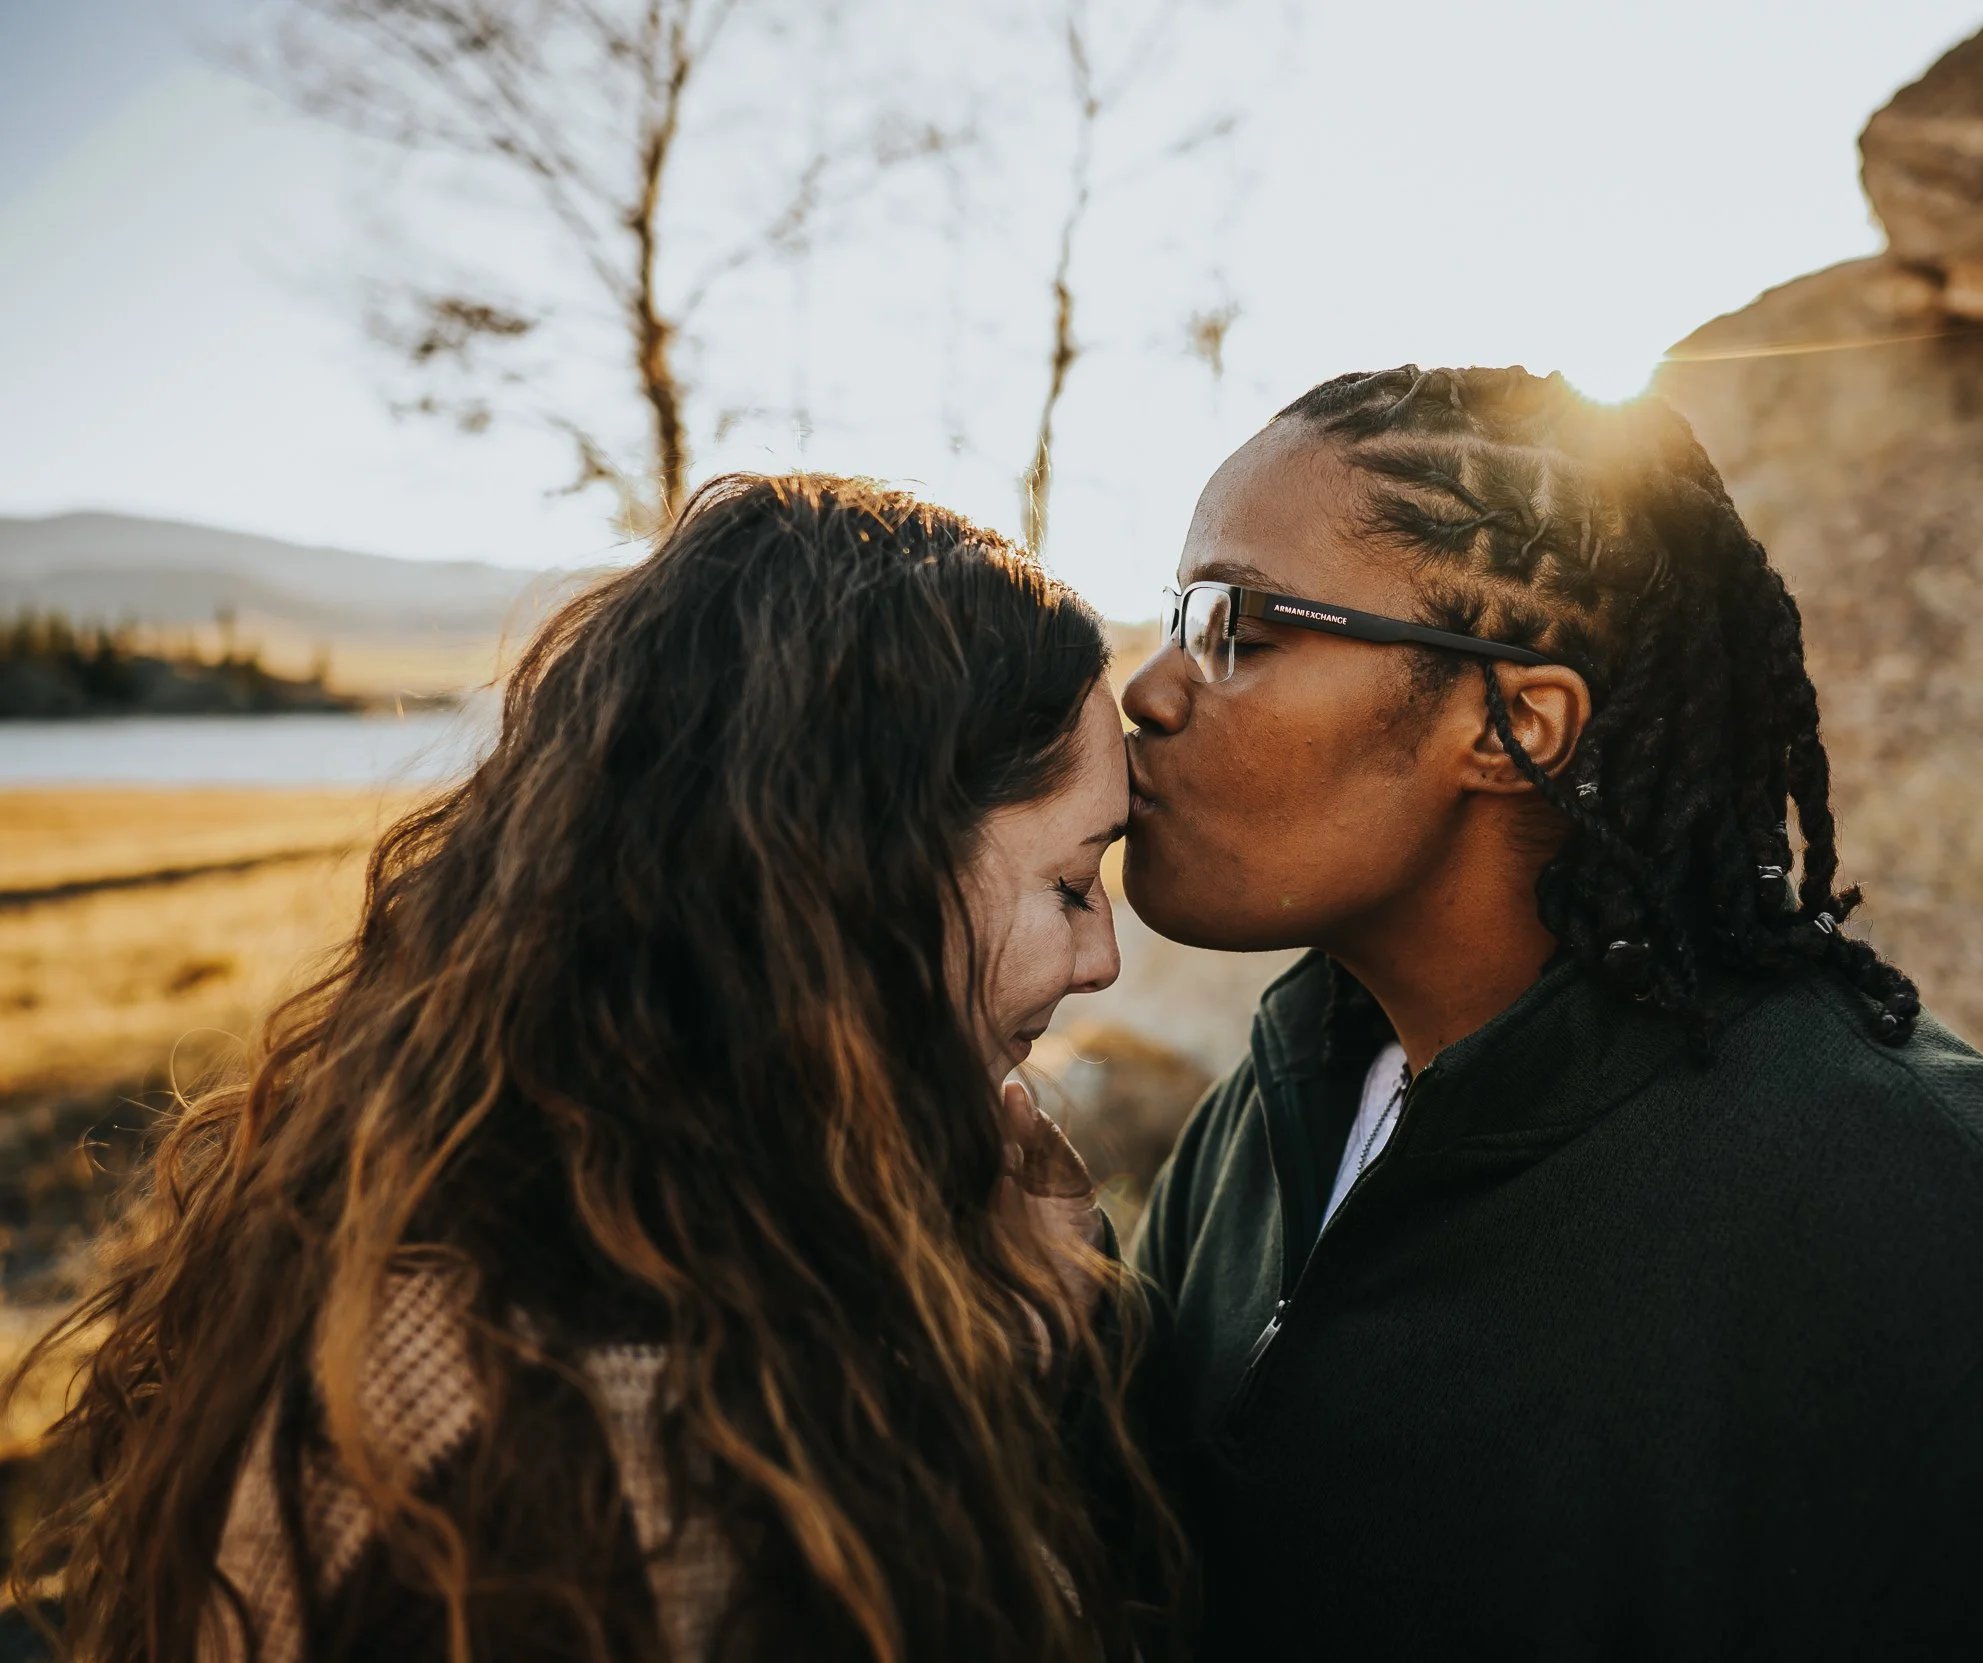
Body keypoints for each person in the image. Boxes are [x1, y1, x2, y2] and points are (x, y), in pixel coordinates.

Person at [1119, 367, 1983, 1661]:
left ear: (1515, 720)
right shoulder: (1279, 1106)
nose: (1149, 687)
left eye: (1235, 624)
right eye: (1177, 610)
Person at [15, 475, 1170, 1663]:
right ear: (851, 886)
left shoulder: (633, 1228)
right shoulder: (540, 1448)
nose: (1101, 960)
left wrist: (1007, 1347)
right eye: (1071, 886)